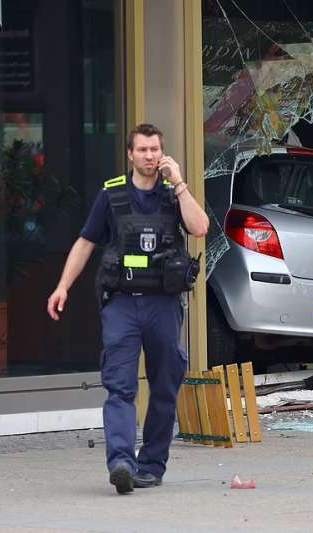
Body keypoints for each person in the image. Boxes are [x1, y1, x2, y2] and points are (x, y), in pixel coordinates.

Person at [46, 123, 209, 494]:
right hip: (121, 304)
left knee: (165, 384)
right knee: (119, 386)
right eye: (143, 150)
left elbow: (199, 228)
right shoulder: (112, 195)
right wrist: (62, 287)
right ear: (130, 155)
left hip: (163, 306)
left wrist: (180, 182)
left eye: (155, 150)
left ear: (162, 153)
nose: (150, 156)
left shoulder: (173, 195)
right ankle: (121, 462)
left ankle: (151, 465)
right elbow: (86, 243)